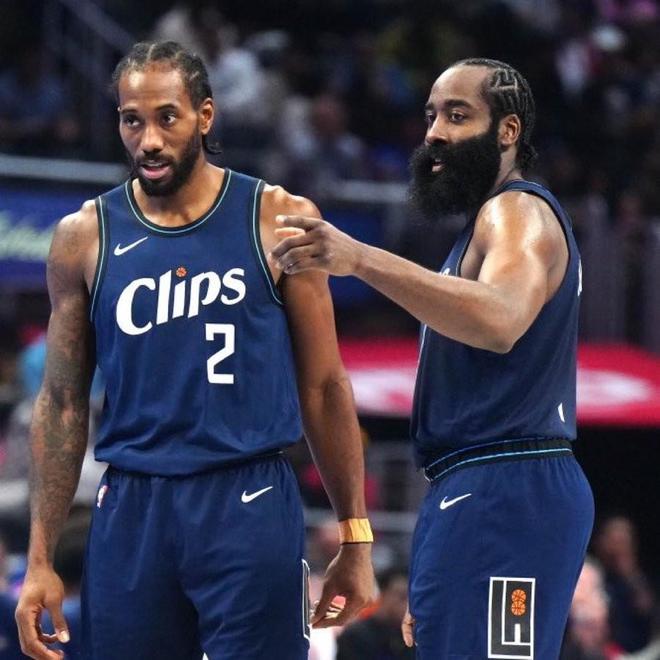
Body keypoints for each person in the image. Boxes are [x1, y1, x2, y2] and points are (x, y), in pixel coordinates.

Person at [15, 41, 374, 660]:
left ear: (205, 116)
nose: (149, 140)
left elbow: (324, 386)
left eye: (167, 118)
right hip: (133, 504)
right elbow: (62, 401)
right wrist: (40, 558)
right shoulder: (83, 236)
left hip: (249, 496)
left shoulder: (278, 218)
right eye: (132, 121)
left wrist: (356, 535)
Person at [271, 57, 595, 658]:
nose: (436, 133)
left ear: (508, 130)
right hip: (474, 487)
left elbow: (500, 319)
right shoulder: (481, 228)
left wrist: (359, 258)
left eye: (457, 115)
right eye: (430, 116)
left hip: (509, 485)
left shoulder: (517, 211)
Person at [336, 566, 415, 660]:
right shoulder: (356, 636)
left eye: (411, 598)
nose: (407, 604)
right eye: (402, 597)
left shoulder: (411, 637)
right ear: (384, 594)